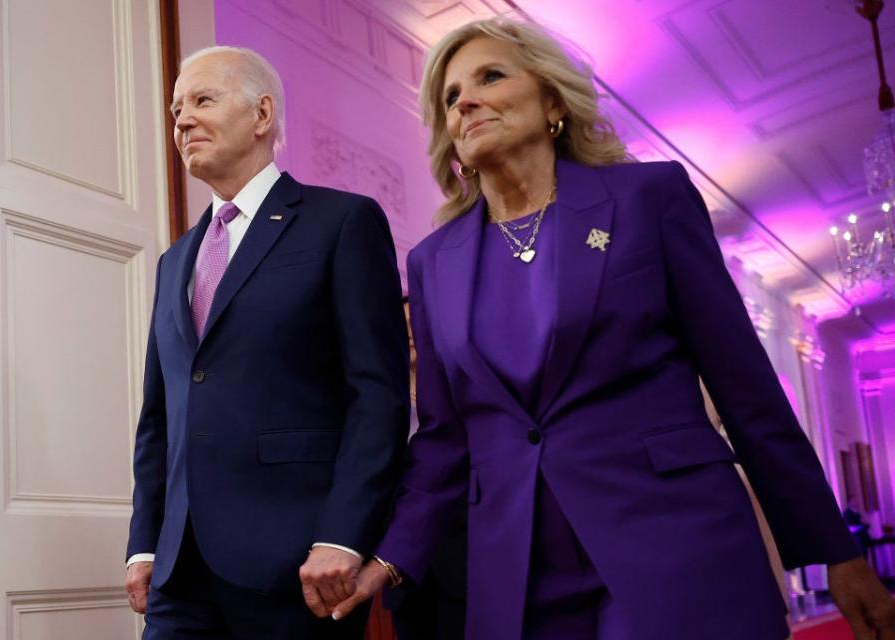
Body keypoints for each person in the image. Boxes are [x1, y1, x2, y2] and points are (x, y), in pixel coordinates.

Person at [329, 19, 895, 640]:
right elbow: (442, 440)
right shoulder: (433, 263)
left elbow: (745, 387)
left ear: (552, 102)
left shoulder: (647, 199)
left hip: (674, 544)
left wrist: (835, 551)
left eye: (490, 76)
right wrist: (388, 556)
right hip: (518, 577)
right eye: (449, 96)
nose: (465, 100)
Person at [124, 46, 410, 639]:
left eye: (203, 100)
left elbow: (376, 396)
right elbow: (161, 417)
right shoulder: (174, 260)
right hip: (180, 573)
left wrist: (343, 534)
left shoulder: (343, 223)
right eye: (177, 108)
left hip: (299, 567)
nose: (180, 120)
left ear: (261, 114)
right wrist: (144, 544)